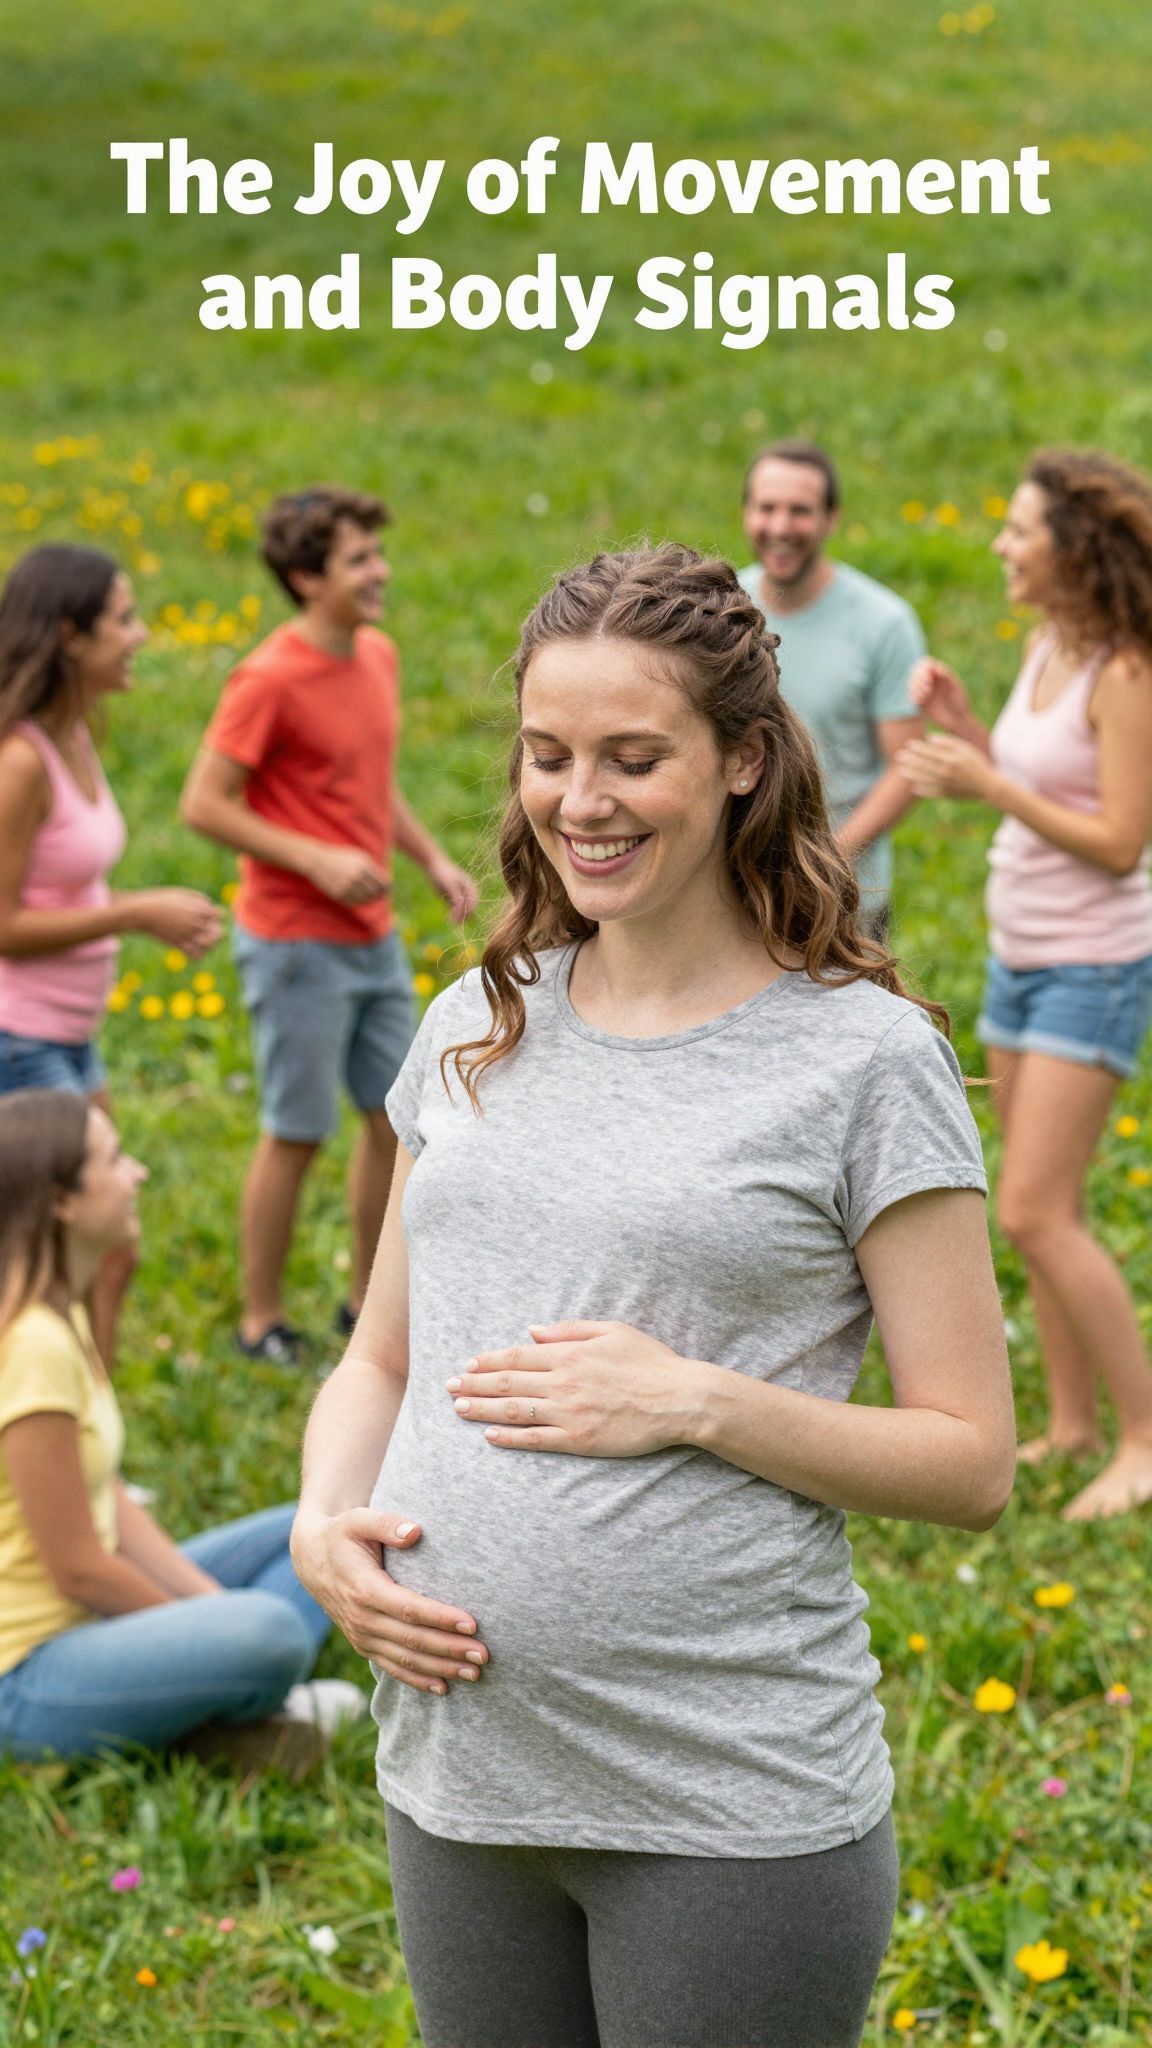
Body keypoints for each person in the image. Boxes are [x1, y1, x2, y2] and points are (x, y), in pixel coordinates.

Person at [291, 545, 1014, 2048]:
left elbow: (972, 1459)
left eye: (635, 757)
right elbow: (377, 1362)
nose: (582, 800)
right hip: (465, 1778)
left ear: (745, 759)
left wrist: (692, 1398)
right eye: (550, 756)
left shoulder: (864, 1063)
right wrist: (319, 1527)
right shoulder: (478, 1023)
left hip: (726, 1799)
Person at [899, 448, 1152, 1521]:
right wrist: (967, 727)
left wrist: (986, 778)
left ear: (1074, 548)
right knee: (1050, 1205)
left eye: (1020, 529)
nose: (1001, 544)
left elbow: (1120, 840)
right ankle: (1072, 1425)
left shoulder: (1129, 671)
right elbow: (1042, 775)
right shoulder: (1053, 642)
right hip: (1022, 956)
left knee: (1036, 1212)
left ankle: (1143, 1440)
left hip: (1093, 968)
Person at [181, 486, 479, 1364]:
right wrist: (312, 859)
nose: (380, 572)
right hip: (293, 944)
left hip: (372, 935)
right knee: (297, 1129)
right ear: (306, 578)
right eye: (358, 561)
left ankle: (364, 1303)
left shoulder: (375, 656)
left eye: (377, 555)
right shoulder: (267, 679)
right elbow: (203, 803)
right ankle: (259, 1321)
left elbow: (366, 780)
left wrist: (427, 857)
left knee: (394, 1122)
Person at [0, 1087, 365, 1769]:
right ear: (61, 1203)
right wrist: (214, 1625)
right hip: (25, 1676)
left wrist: (208, 1612)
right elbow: (77, 1570)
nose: (136, 1172)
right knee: (274, 1631)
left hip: (94, 1620)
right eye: (113, 1161)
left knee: (324, 1528)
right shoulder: (30, 1347)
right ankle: (224, 1710)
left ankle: (201, 1701)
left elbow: (103, 1495)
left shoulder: (59, 1314)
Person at [0, 545, 222, 1364]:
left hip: (67, 1034)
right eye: (123, 619)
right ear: (69, 636)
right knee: (60, 1262)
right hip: (17, 1040)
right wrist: (134, 912)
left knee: (106, 1248)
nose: (141, 633)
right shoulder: (20, 761)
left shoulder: (74, 735)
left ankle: (84, 1417)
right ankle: (53, 1428)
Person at [738, 439, 927, 943]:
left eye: (799, 511)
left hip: (846, 899)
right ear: (746, 514)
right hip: (735, 893)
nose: (780, 527)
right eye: (767, 508)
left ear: (830, 519)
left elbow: (908, 767)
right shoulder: (722, 612)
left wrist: (823, 860)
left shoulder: (883, 624)